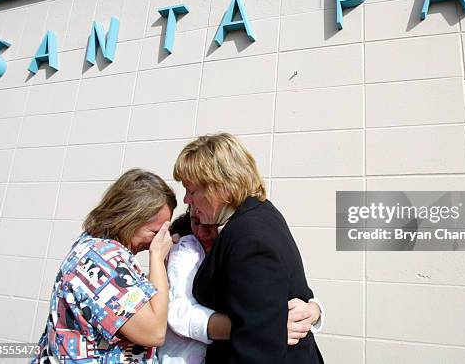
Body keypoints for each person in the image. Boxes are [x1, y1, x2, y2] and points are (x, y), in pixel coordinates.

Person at [173, 133, 325, 364]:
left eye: (191, 190)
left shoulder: (249, 238)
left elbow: (257, 350)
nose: (186, 200)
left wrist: (270, 324)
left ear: (219, 186)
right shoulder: (261, 214)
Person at [32, 169, 177, 363]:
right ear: (129, 219)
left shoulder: (95, 247)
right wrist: (157, 258)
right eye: (155, 232)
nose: (157, 241)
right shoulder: (101, 260)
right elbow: (154, 332)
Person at [158, 210, 325, 364]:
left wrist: (314, 310)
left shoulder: (243, 242)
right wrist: (263, 327)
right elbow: (180, 313)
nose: (202, 232)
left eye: (210, 226)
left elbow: (292, 290)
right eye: (195, 222)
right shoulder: (187, 248)